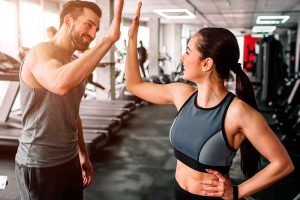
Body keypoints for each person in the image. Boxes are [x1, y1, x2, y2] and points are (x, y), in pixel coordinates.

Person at [125, 2, 294, 200]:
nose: (181, 58)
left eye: (188, 52)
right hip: (179, 194)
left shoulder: (237, 112)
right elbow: (134, 85)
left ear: (206, 63)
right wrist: (131, 39)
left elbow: (283, 164)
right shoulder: (182, 95)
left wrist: (238, 191)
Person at [15, 0, 123, 199]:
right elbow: (60, 84)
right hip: (40, 163)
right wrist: (108, 40)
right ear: (68, 20)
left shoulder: (74, 62)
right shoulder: (40, 52)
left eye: (97, 30)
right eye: (88, 24)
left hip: (70, 159)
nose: (92, 34)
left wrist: (82, 153)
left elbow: (73, 114)